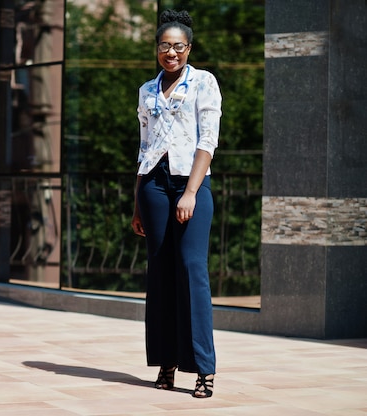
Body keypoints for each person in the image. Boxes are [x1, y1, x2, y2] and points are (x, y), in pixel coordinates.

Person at [131, 9, 222, 399]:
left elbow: (207, 142)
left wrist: (189, 193)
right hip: (153, 186)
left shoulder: (204, 82)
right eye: (165, 46)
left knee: (190, 269)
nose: (172, 53)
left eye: (179, 46)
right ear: (157, 48)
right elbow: (144, 147)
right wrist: (137, 201)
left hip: (191, 185)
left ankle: (203, 368)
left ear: (189, 48)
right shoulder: (147, 90)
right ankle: (166, 364)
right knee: (160, 272)